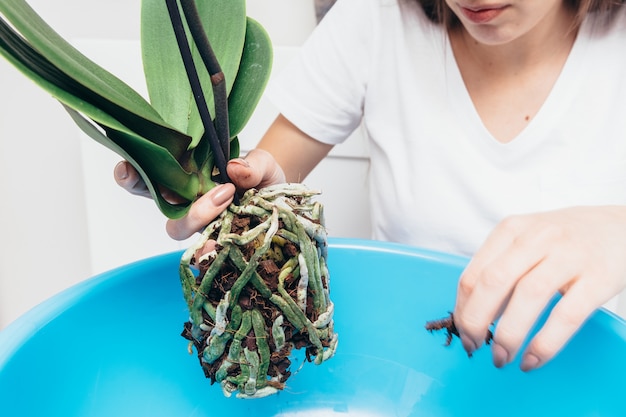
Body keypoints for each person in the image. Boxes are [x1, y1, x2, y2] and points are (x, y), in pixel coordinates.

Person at [115, 0, 626, 372]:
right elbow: (267, 172)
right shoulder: (376, 17)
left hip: (595, 373)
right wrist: (216, 192)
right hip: (410, 374)